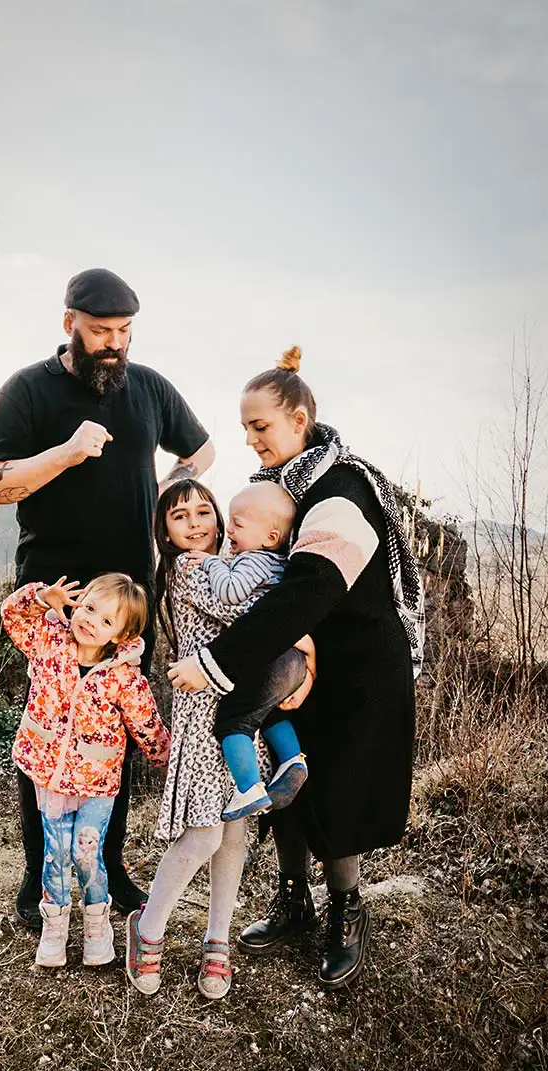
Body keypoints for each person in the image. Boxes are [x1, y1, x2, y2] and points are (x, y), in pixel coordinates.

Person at [168, 346, 423, 990]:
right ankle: (293, 902)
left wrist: (217, 660)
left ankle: (345, 912)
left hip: (360, 665)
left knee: (337, 792)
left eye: (261, 426)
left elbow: (306, 591)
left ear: (300, 419)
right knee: (288, 784)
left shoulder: (340, 489)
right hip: (299, 656)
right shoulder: (290, 488)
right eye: (246, 427)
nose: (250, 440)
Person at [0, 268, 213, 924]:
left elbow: (203, 450)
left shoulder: (151, 388)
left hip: (128, 605)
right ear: (69, 324)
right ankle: (38, 878)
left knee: (120, 733)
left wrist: (170, 492)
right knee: (50, 729)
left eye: (124, 333)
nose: (114, 344)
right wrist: (65, 454)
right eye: (102, 331)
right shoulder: (27, 390)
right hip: (57, 605)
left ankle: (108, 868)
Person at [124, 480, 310, 1000]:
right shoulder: (188, 569)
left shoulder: (233, 562)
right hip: (205, 714)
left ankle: (217, 938)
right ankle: (149, 926)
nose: (196, 523)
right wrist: (302, 630)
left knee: (234, 829)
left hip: (241, 707)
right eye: (180, 516)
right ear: (165, 530)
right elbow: (246, 618)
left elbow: (260, 615)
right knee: (205, 831)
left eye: (204, 511)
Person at [1, 572, 171, 969]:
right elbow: (12, 615)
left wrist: (171, 764)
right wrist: (43, 596)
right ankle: (55, 925)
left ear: (119, 635)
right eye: (90, 608)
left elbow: (147, 725)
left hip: (96, 781)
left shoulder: (123, 676)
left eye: (106, 620)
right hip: (49, 775)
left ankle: (97, 922)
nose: (91, 621)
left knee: (86, 852)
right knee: (55, 853)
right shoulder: (48, 640)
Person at [189, 481, 314, 820]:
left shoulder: (254, 560)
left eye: (238, 524)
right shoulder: (281, 564)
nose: (228, 529)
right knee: (269, 710)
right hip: (295, 660)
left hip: (270, 654)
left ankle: (248, 790)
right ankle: (291, 760)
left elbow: (230, 592)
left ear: (270, 537)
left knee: (234, 720)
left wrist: (211, 563)